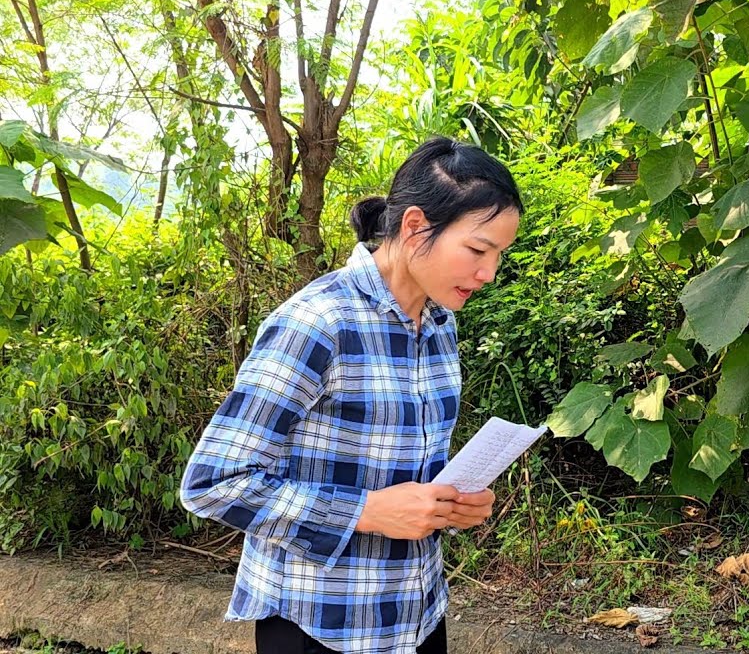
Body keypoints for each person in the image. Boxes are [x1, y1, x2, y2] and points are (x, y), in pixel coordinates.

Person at [180, 137, 523, 654]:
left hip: (417, 614)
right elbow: (214, 482)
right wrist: (365, 512)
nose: (489, 273)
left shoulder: (437, 322)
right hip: (322, 625)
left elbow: (395, 468)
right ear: (413, 228)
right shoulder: (317, 323)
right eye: (477, 249)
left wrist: (448, 504)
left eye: (499, 254)